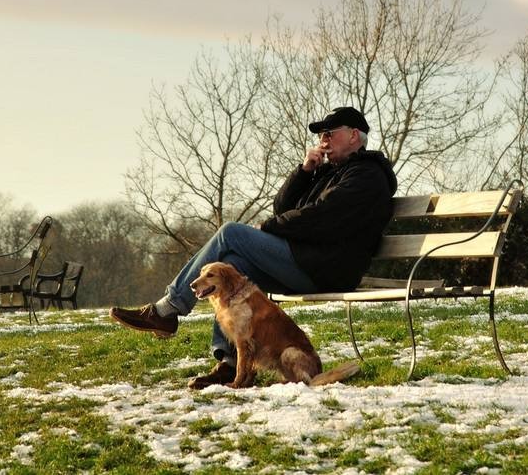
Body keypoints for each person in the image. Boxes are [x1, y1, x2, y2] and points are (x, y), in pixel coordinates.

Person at [111, 106, 397, 389]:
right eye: (321, 135)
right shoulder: (328, 173)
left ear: (353, 135)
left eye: (329, 134)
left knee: (232, 233)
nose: (322, 141)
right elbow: (282, 208)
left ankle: (168, 309)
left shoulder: (366, 175)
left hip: (326, 268)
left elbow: (322, 217)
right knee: (235, 264)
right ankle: (231, 365)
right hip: (305, 260)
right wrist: (304, 172)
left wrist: (268, 228)